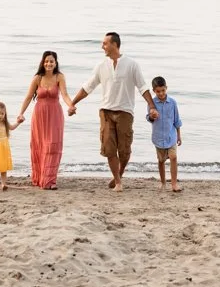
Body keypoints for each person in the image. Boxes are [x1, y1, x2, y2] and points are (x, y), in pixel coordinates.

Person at [68, 31, 159, 191]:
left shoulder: (131, 64)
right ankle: (118, 182)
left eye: (105, 43)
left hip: (125, 112)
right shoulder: (101, 66)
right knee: (109, 148)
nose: (102, 46)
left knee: (124, 151)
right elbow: (87, 87)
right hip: (106, 112)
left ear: (114, 44)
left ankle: (120, 173)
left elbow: (142, 87)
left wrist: (152, 106)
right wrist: (73, 103)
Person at [16, 50, 74, 190]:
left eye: (51, 61)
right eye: (46, 61)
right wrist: (21, 113)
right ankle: (40, 177)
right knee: (39, 145)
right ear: (43, 63)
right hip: (40, 115)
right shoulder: (37, 78)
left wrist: (71, 106)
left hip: (55, 114)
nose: (49, 63)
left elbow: (65, 94)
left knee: (53, 146)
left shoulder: (59, 77)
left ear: (55, 63)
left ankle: (50, 180)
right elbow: (29, 97)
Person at [147, 76, 183, 192]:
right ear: (154, 91)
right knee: (161, 161)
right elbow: (149, 118)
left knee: (173, 157)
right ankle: (163, 183)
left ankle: (174, 184)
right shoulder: (152, 103)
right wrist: (152, 116)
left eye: (163, 90)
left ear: (166, 88)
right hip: (158, 137)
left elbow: (176, 120)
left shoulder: (172, 103)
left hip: (171, 136)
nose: (161, 93)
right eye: (158, 91)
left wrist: (179, 135)